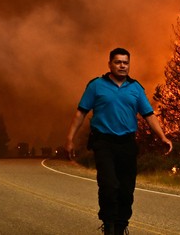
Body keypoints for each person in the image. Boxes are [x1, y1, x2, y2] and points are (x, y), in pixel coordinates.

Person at [66, 48, 172, 235]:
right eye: (118, 62)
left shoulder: (136, 88)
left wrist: (162, 137)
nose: (122, 65)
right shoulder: (96, 85)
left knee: (126, 189)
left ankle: (121, 226)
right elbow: (81, 113)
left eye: (125, 62)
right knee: (108, 185)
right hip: (103, 142)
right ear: (110, 64)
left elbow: (149, 115)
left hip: (127, 144)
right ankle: (108, 224)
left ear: (129, 65)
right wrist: (70, 138)